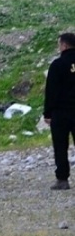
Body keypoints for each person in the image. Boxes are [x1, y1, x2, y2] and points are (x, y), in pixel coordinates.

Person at [43, 32, 75, 191]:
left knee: (61, 146)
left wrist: (48, 113)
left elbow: (51, 91)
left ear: (64, 45)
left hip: (61, 112)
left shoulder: (58, 64)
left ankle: (62, 179)